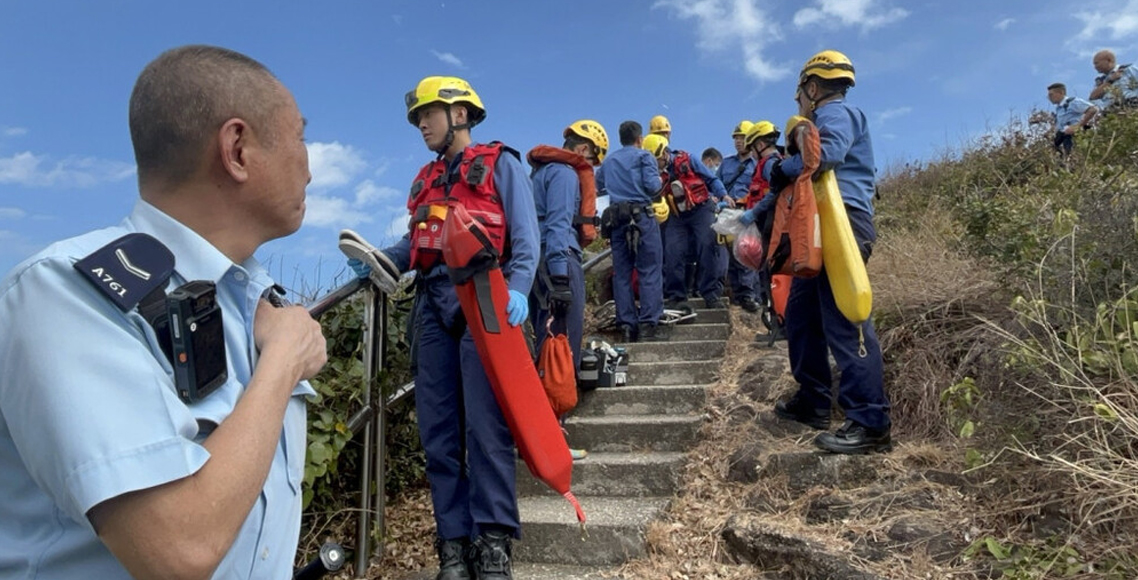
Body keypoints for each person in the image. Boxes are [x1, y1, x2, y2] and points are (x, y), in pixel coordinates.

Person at [0, 45, 327, 579]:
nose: (309, 167)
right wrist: (283, 364)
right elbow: (179, 548)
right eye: (299, 137)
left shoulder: (259, 303)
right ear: (238, 149)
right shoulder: (65, 293)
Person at [353, 76, 538, 580]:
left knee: (486, 428)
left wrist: (519, 286)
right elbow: (415, 246)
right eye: (417, 117)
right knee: (438, 435)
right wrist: (376, 260)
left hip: (483, 299)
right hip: (431, 308)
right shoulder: (425, 181)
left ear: (459, 113)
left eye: (428, 113)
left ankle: (493, 544)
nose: (420, 124)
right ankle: (453, 547)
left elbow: (525, 237)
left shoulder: (502, 164)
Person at [752, 50, 892, 454]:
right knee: (802, 316)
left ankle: (870, 420)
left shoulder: (833, 114)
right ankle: (812, 401)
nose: (798, 100)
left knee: (845, 318)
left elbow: (823, 156)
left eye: (800, 92)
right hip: (822, 222)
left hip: (840, 222)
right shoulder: (831, 116)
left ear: (812, 87)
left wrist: (786, 166)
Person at [526, 119, 609, 461]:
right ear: (584, 150)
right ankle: (550, 439)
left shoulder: (540, 174)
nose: (590, 167)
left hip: (537, 262)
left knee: (546, 348)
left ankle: (538, 435)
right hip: (557, 262)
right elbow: (560, 223)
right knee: (561, 352)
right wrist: (561, 277)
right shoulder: (562, 174)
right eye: (593, 159)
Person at [596, 121, 664, 342]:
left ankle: (626, 325)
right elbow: (653, 186)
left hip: (617, 219)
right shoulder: (645, 157)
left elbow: (599, 186)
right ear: (640, 138)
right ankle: (648, 324)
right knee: (649, 269)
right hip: (642, 217)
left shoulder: (609, 161)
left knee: (622, 273)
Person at [650, 134, 730, 310]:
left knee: (708, 245)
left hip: (701, 209)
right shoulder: (654, 174)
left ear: (664, 153)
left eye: (657, 160)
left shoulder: (689, 160)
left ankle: (711, 294)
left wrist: (723, 194)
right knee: (672, 251)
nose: (655, 164)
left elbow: (711, 179)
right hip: (677, 216)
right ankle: (676, 295)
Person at [718, 121, 759, 313]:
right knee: (730, 253)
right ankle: (736, 292)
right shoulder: (726, 163)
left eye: (741, 138)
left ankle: (748, 294)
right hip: (727, 212)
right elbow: (716, 184)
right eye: (736, 138)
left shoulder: (758, 164)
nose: (738, 142)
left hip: (747, 211)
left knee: (747, 250)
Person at [1047, 83, 1098, 155]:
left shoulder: (1072, 102)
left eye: (1051, 95)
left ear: (1061, 92)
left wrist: (1077, 126)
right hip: (1063, 139)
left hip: (1075, 137)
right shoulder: (1059, 108)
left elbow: (1093, 109)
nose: (1049, 98)